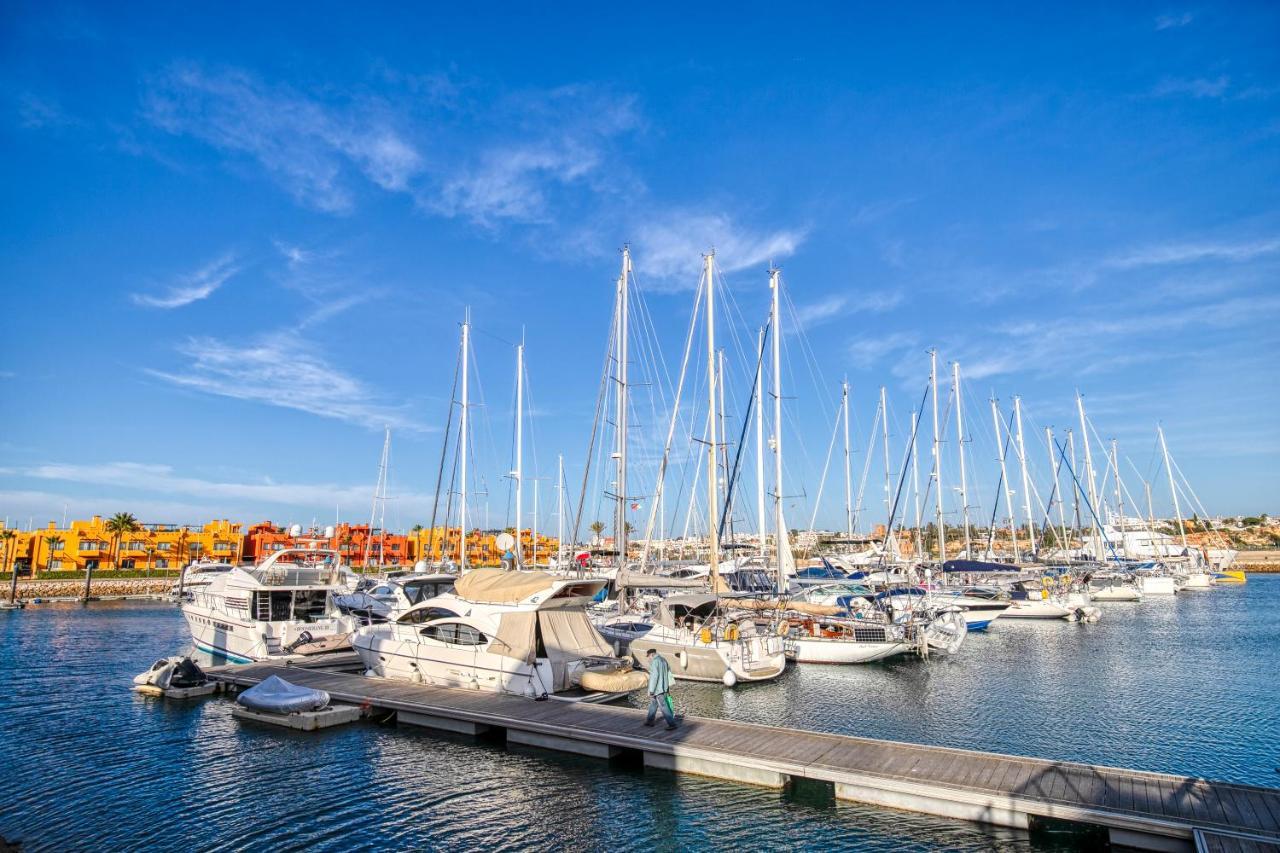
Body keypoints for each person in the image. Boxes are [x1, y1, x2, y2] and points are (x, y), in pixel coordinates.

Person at [644, 648, 678, 730]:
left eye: (648, 656)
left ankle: (672, 724)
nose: (648, 658)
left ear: (652, 654)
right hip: (664, 687)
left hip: (657, 689)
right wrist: (667, 688)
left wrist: (651, 690)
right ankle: (650, 721)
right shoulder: (663, 660)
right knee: (653, 704)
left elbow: (654, 677)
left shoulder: (655, 662)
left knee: (663, 706)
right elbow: (668, 674)